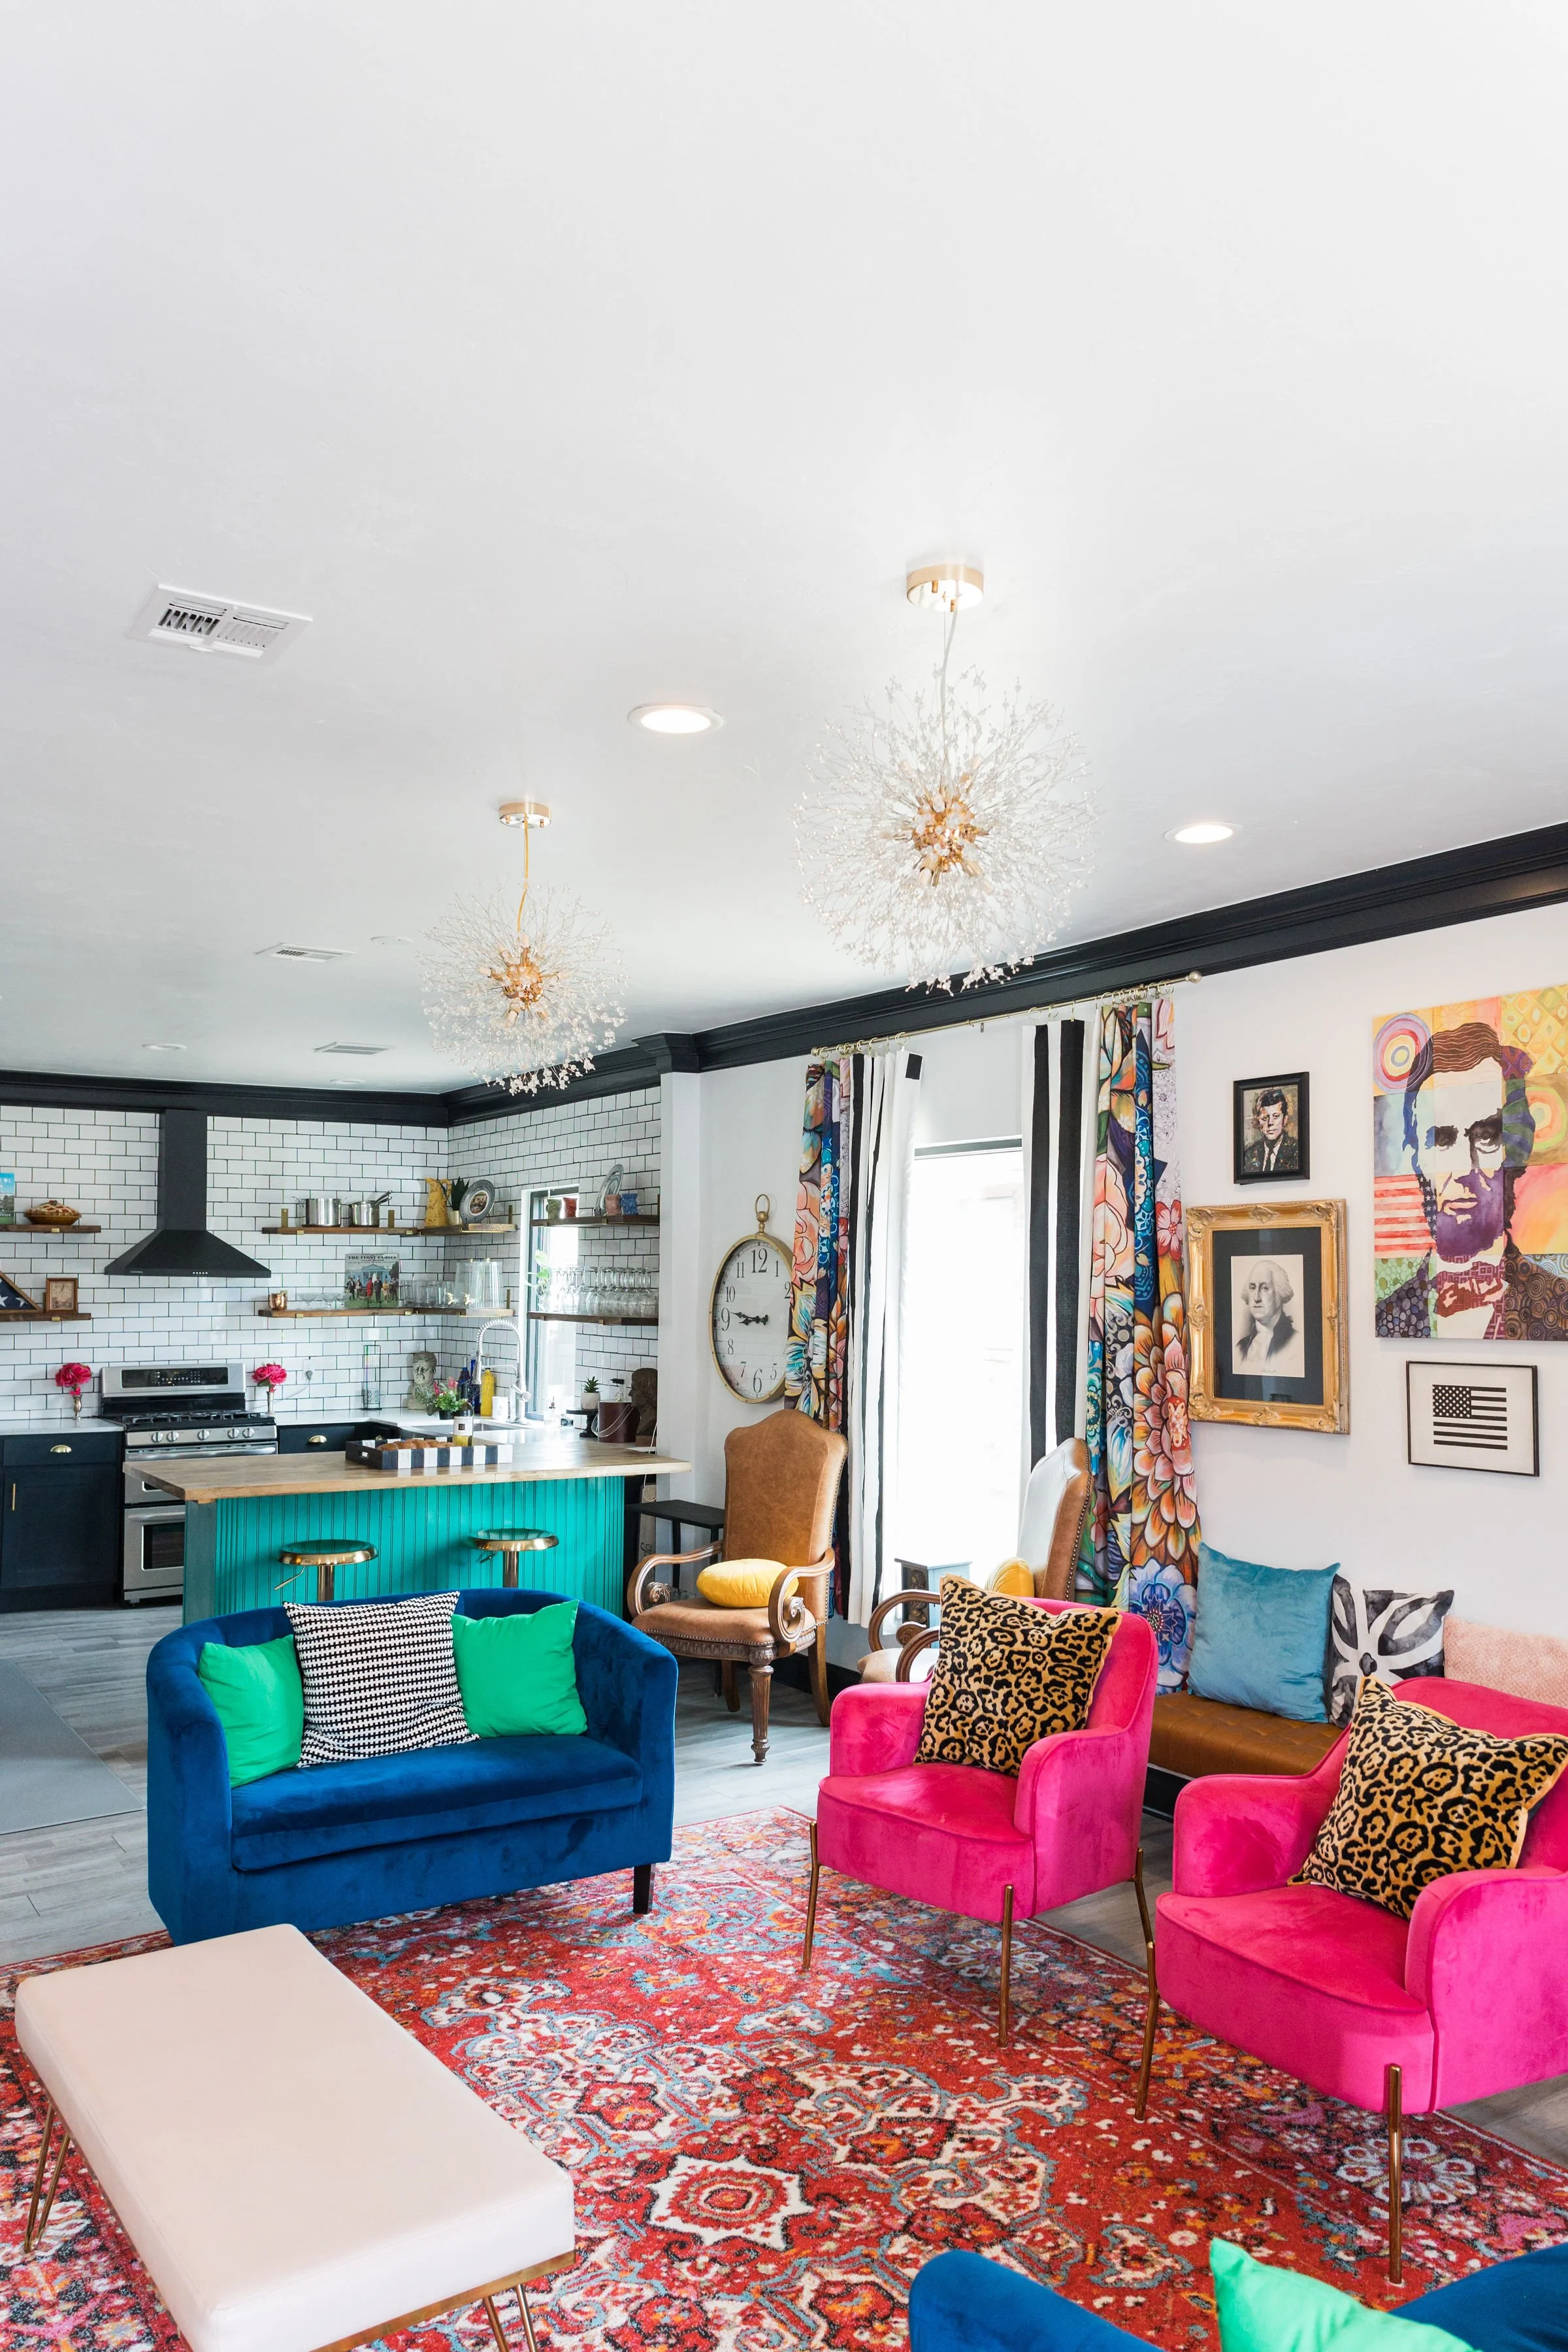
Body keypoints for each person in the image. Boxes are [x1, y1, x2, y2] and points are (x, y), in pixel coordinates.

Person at [1376, 1017, 1568, 1340]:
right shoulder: (1386, 1318)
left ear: (1516, 1149)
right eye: (1441, 1139)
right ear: (1414, 1156)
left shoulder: (1560, 1308)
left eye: (1487, 1136)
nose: (1465, 1168)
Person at [1233, 1259, 1301, 1369]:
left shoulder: (1297, 1344)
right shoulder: (1240, 1347)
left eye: (1265, 1288)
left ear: (1280, 1294)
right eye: (1252, 1288)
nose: (1256, 1298)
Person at [1243, 1086, 1298, 1176]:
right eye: (1265, 1118)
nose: (1270, 1123)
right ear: (1259, 1121)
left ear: (1285, 1119)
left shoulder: (1296, 1151)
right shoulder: (1249, 1154)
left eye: (1276, 1116)